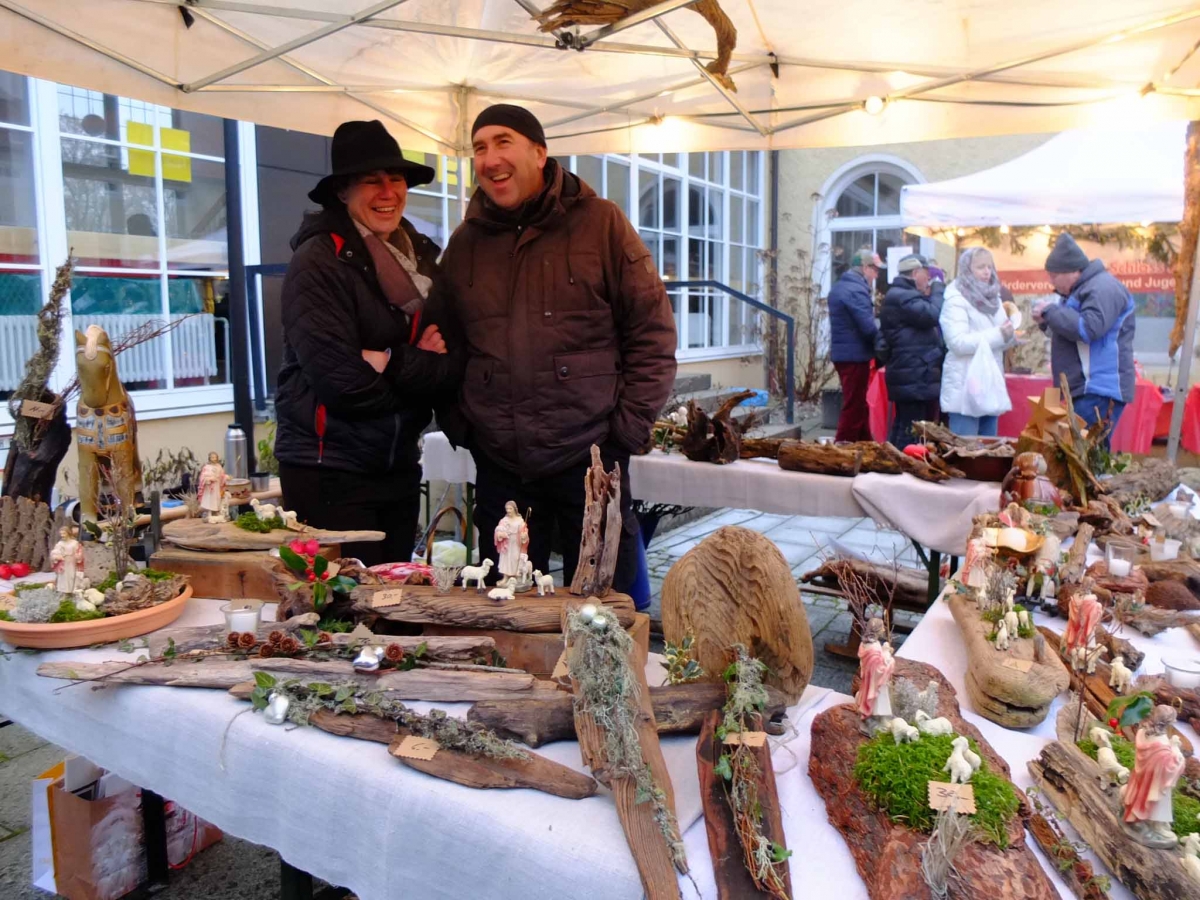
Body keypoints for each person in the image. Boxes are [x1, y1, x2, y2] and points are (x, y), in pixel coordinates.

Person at [439, 104, 677, 592]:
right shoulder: (465, 243)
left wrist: (623, 435)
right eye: (479, 147)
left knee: (602, 609)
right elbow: (443, 344)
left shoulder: (602, 224)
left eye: (503, 142)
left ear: (539, 153)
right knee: (505, 607)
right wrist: (463, 425)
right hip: (502, 466)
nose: (489, 159)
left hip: (591, 459)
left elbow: (652, 334)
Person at [275, 120, 461, 567]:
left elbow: (449, 368)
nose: (388, 192)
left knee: (391, 596)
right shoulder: (318, 261)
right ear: (342, 191)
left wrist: (388, 361)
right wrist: (416, 368)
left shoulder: (421, 258)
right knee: (342, 602)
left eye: (395, 178)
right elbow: (344, 385)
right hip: (328, 471)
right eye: (371, 180)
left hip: (397, 468)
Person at [1034, 233, 1136, 440]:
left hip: (1099, 389)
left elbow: (1088, 329)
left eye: (1054, 276)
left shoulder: (1103, 288)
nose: (1051, 282)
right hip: (1087, 389)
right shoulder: (1081, 290)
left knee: (1083, 452)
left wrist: (1051, 311)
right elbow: (1070, 333)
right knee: (1082, 452)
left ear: (1071, 271)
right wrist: (1047, 322)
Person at [939, 247, 1016, 436]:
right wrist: (999, 335)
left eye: (989, 266)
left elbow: (1000, 339)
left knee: (990, 450)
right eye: (980, 267)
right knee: (966, 450)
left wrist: (1010, 336)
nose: (987, 272)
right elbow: (957, 342)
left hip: (990, 386)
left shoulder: (994, 297)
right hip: (965, 386)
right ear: (967, 269)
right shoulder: (955, 298)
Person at [880, 253, 945, 446]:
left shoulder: (900, 294)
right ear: (916, 273)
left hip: (912, 373)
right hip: (913, 375)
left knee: (905, 425)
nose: (929, 280)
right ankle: (903, 460)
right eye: (927, 274)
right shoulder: (904, 296)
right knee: (911, 429)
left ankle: (894, 458)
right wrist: (938, 288)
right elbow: (933, 314)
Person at [827, 249, 881, 442]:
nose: (876, 275)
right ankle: (842, 445)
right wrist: (884, 339)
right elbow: (868, 327)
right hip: (854, 356)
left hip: (845, 354)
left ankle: (866, 444)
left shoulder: (841, 287)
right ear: (865, 268)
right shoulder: (856, 290)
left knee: (858, 402)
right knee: (854, 405)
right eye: (875, 270)